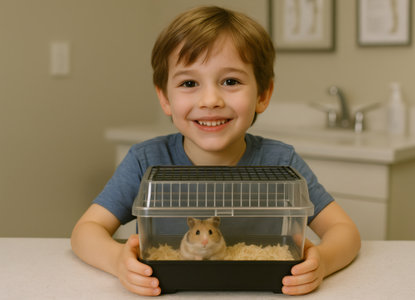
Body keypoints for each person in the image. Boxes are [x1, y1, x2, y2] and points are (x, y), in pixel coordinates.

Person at [71, 6, 360, 296]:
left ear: (262, 95)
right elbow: (85, 231)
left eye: (230, 81)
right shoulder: (145, 161)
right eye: (189, 83)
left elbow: (344, 232)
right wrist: (117, 261)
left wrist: (322, 261)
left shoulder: (282, 162)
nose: (210, 100)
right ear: (165, 98)